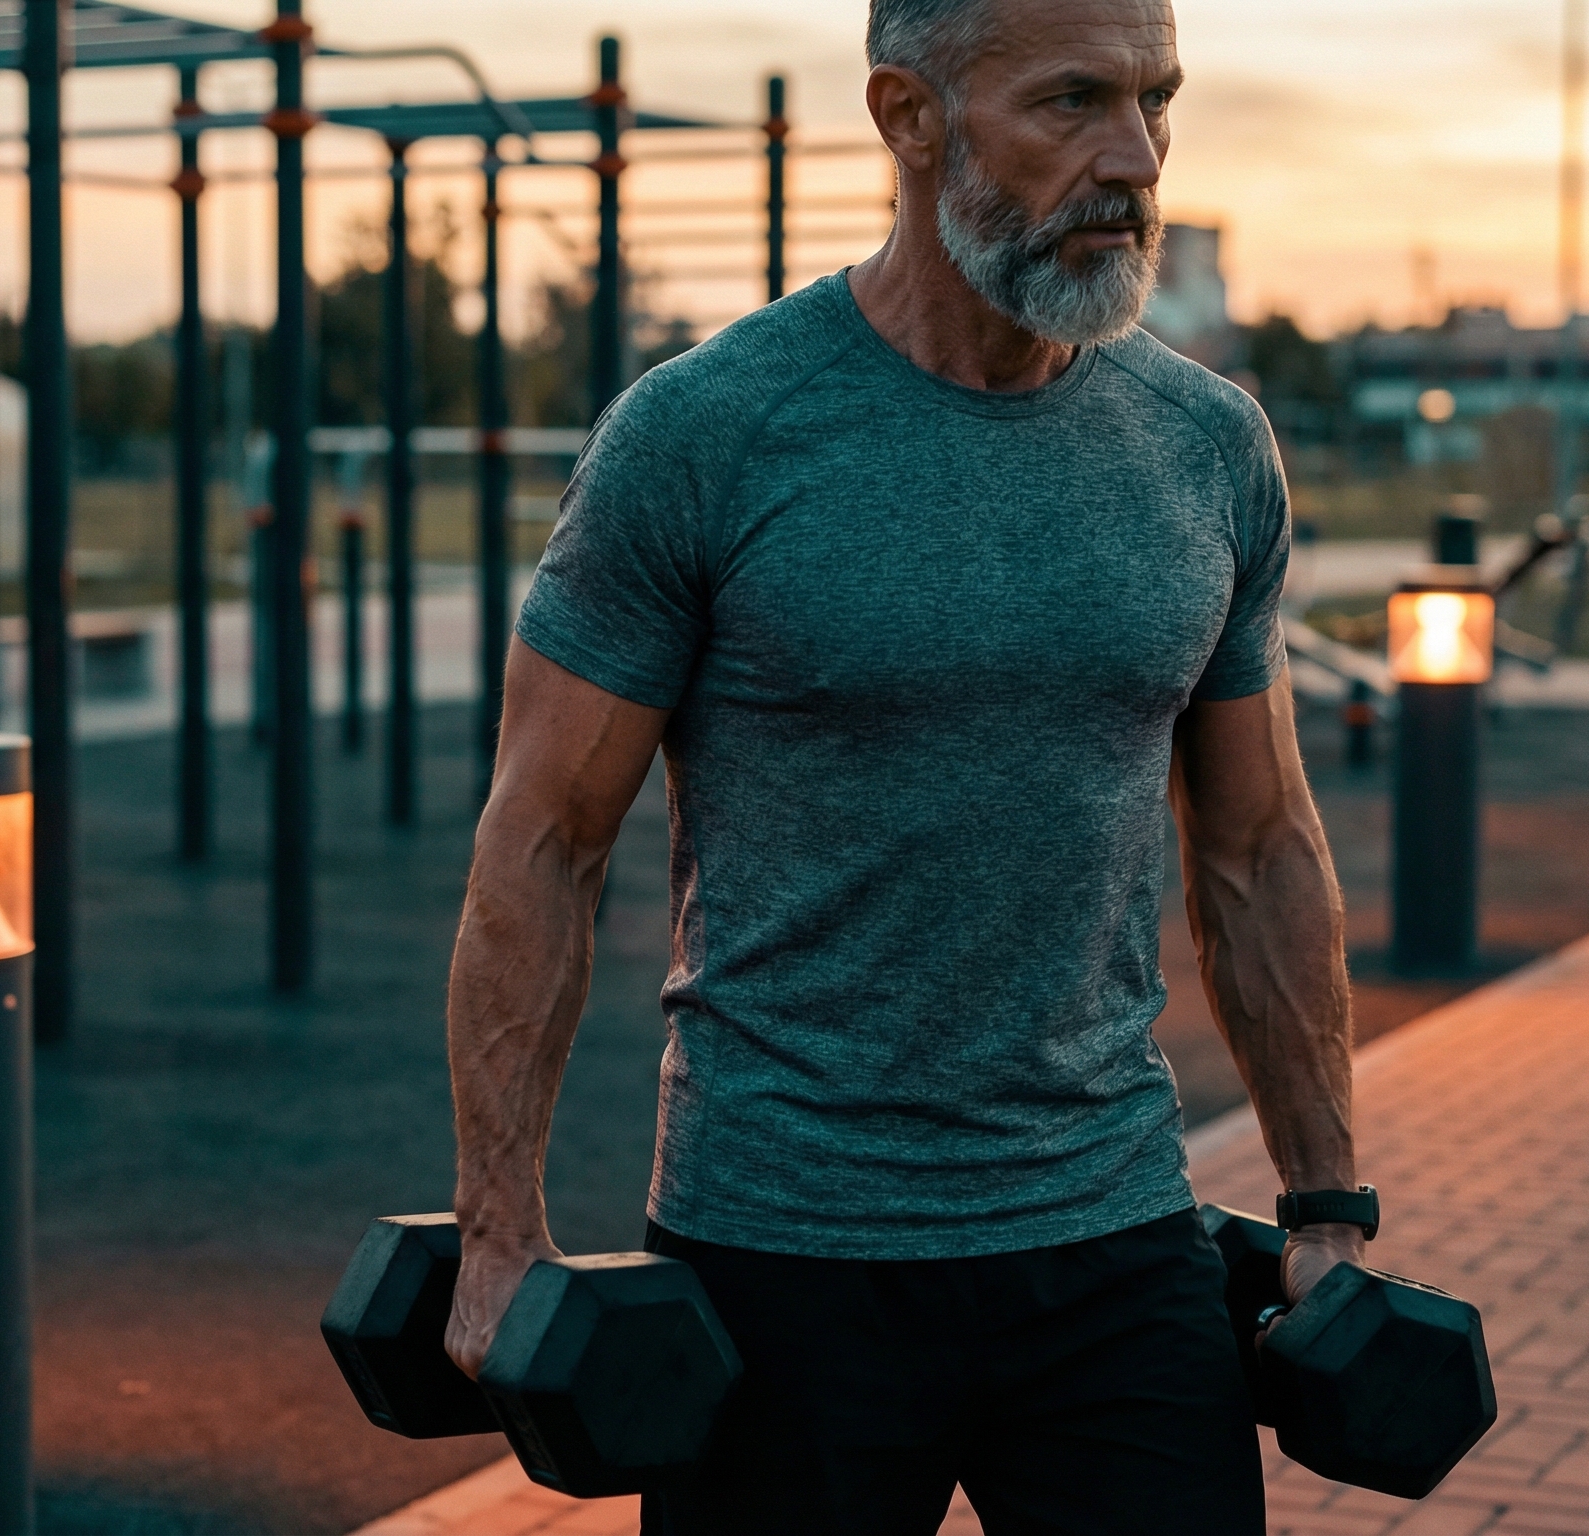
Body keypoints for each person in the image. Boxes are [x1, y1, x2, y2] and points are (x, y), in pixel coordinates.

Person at [445, 0, 1363, 1527]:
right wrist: (497, 1234)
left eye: (1156, 102)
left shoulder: (1209, 446)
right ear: (909, 116)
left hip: (1113, 1239)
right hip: (781, 1250)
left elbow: (1260, 846)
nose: (1134, 159)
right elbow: (542, 839)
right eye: (1071, 102)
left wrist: (1326, 1205)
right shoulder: (705, 435)